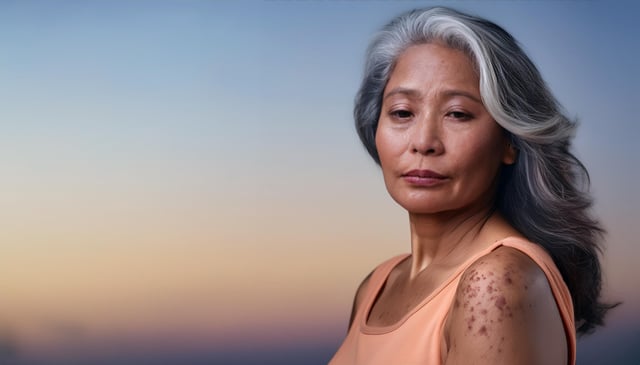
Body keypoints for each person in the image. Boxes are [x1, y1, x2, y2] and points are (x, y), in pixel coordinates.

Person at [329, 7, 615, 365]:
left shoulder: (495, 284)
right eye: (402, 112)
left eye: (458, 114)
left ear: (510, 141)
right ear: (375, 128)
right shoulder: (377, 283)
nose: (424, 142)